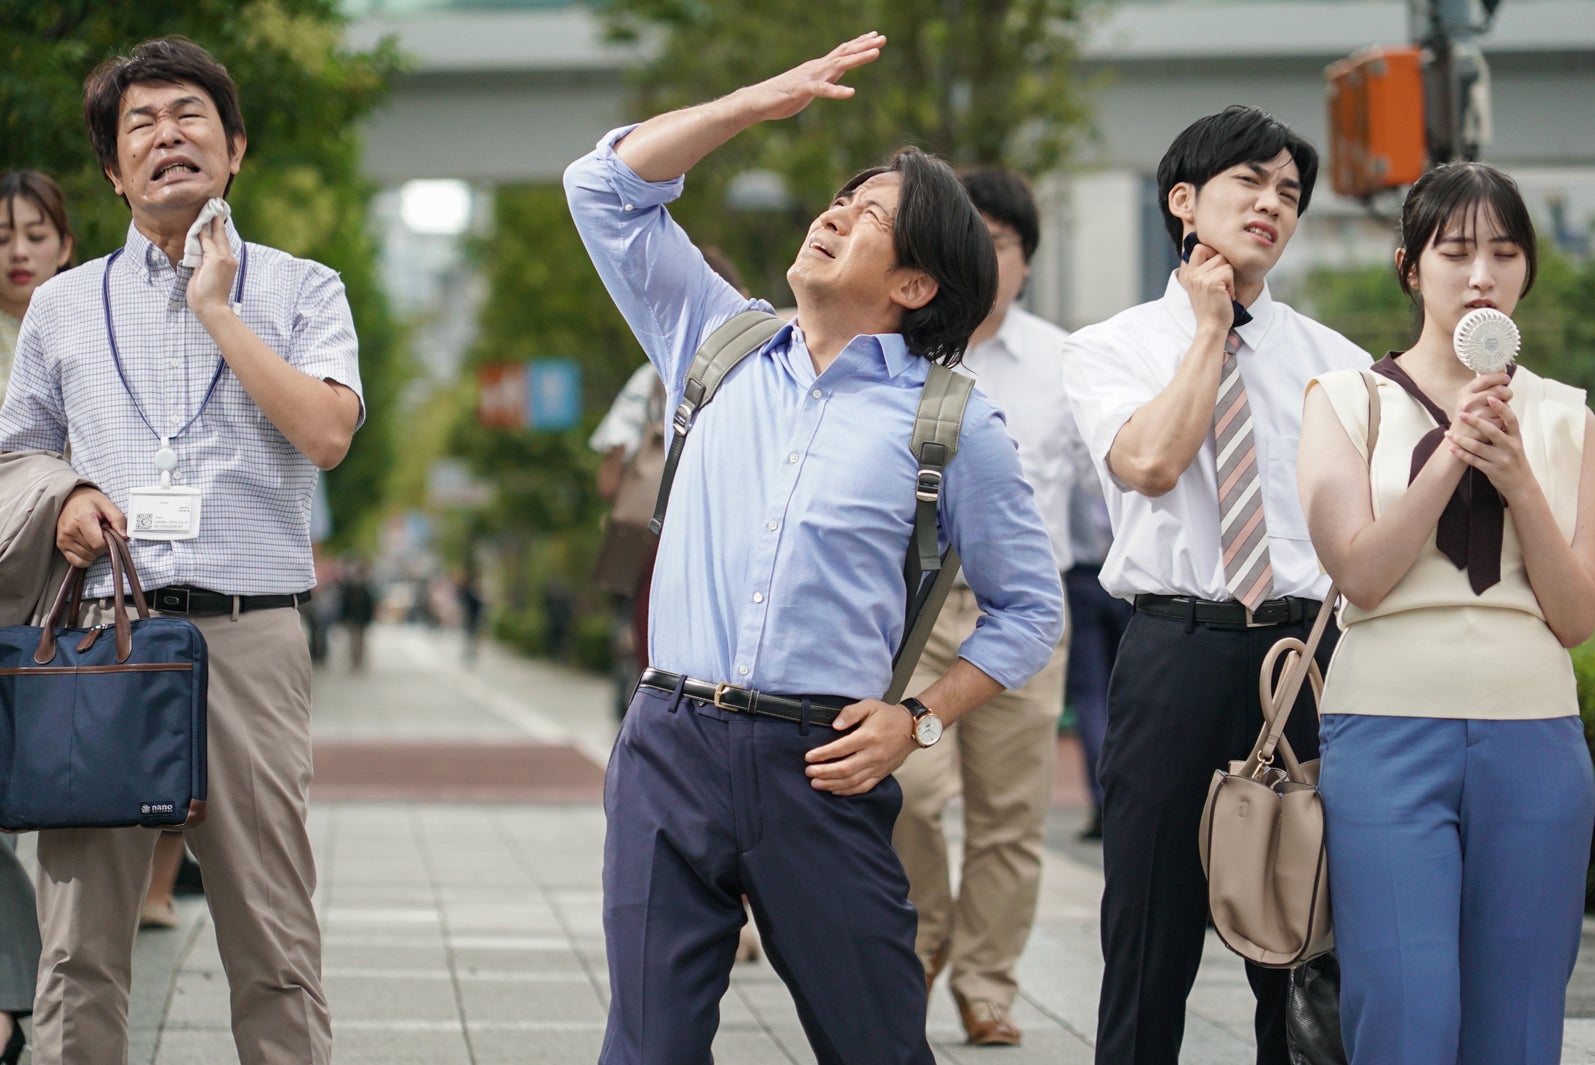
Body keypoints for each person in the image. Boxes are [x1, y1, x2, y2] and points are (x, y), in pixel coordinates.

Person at [565, 32, 1064, 1063]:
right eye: (838, 199)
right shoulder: (713, 341)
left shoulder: (950, 424)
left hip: (821, 764)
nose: (833, 214)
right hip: (668, 744)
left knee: (876, 1042)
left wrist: (918, 720)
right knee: (646, 1048)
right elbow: (602, 187)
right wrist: (749, 103)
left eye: (870, 215)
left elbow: (1029, 609)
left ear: (915, 285)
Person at [0, 36, 362, 1065]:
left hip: (249, 635)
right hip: (99, 638)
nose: (168, 135)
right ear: (113, 172)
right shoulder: (63, 304)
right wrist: (67, 494)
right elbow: (14, 455)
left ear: (234, 148)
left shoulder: (302, 288)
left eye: (190, 115)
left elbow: (327, 433)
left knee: (273, 939)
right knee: (79, 954)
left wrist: (217, 308)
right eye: (142, 124)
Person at [1060, 105, 1369, 1065]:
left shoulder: (1339, 364)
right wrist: (1208, 328)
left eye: (1289, 192)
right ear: (1183, 202)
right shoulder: (1108, 347)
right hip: (1175, 649)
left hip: (1305, 657)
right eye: (1250, 181)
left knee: (1303, 930)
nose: (1272, 204)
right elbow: (1150, 463)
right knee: (1148, 928)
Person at [1298, 161, 1595, 1065]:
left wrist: (1518, 478)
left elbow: (1575, 615)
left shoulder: (1568, 417)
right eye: (1454, 251)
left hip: (1534, 734)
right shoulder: (1344, 400)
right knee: (1403, 1011)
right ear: (1409, 266)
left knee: (1518, 1021)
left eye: (1503, 253)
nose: (1480, 275)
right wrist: (1451, 453)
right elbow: (1360, 574)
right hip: (1385, 729)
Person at [890, 167, 1076, 1046]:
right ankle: (924, 940)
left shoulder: (1064, 363)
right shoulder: (904, 346)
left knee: (1010, 813)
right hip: (917, 609)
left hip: (1024, 614)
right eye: (968, 234)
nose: (984, 253)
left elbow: (1101, 500)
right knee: (907, 791)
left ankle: (986, 982)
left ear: (1025, 260)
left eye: (999, 241)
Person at [0, 168, 75, 1065]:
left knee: (68, 813)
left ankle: (50, 990)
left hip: (67, 609)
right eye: (0, 238)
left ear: (64, 242)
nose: (18, 252)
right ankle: (8, 997)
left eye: (34, 234)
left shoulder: (92, 326)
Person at [1062, 468, 1130, 841]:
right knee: (1125, 695)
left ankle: (1104, 801)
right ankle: (1123, 799)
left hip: (1082, 576)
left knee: (1091, 697)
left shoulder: (1067, 443)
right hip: (1127, 575)